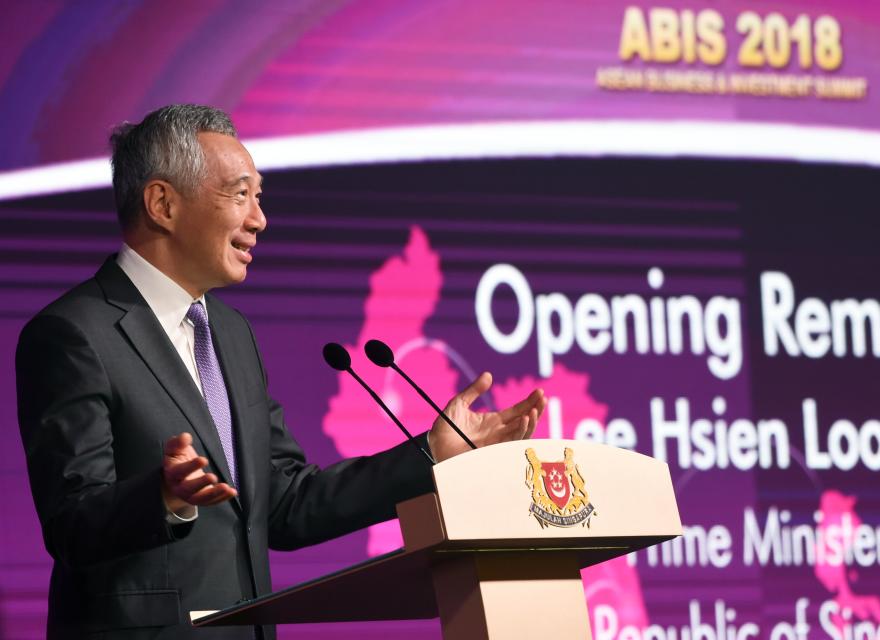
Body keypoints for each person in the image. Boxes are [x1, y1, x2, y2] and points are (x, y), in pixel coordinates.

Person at [16, 104, 545, 639]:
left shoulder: (231, 333)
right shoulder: (75, 333)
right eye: (240, 194)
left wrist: (431, 457)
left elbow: (288, 505)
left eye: (259, 197)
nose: (259, 219)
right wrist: (162, 498)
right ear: (163, 204)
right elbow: (71, 522)